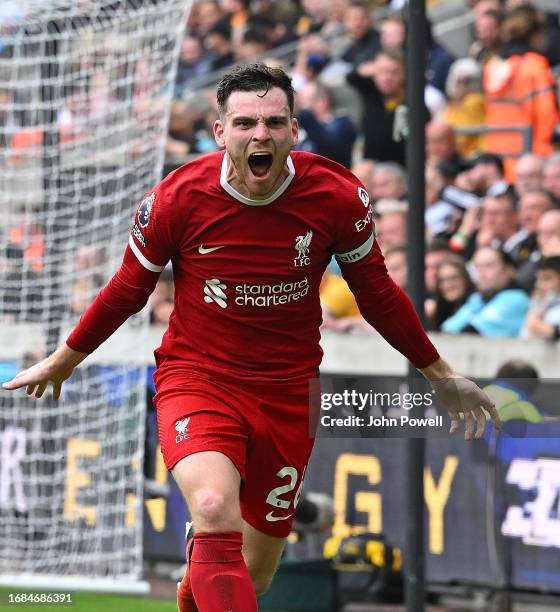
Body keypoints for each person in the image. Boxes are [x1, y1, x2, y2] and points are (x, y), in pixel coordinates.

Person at [2, 64, 501, 612]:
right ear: (221, 131)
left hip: (287, 393)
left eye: (274, 122)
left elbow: (377, 294)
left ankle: (201, 574)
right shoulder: (177, 198)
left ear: (294, 130)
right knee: (214, 506)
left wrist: (442, 376)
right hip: (199, 378)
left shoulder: (336, 196)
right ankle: (208, 543)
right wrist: (63, 360)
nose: (259, 133)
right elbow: (127, 290)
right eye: (244, 123)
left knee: (252, 578)